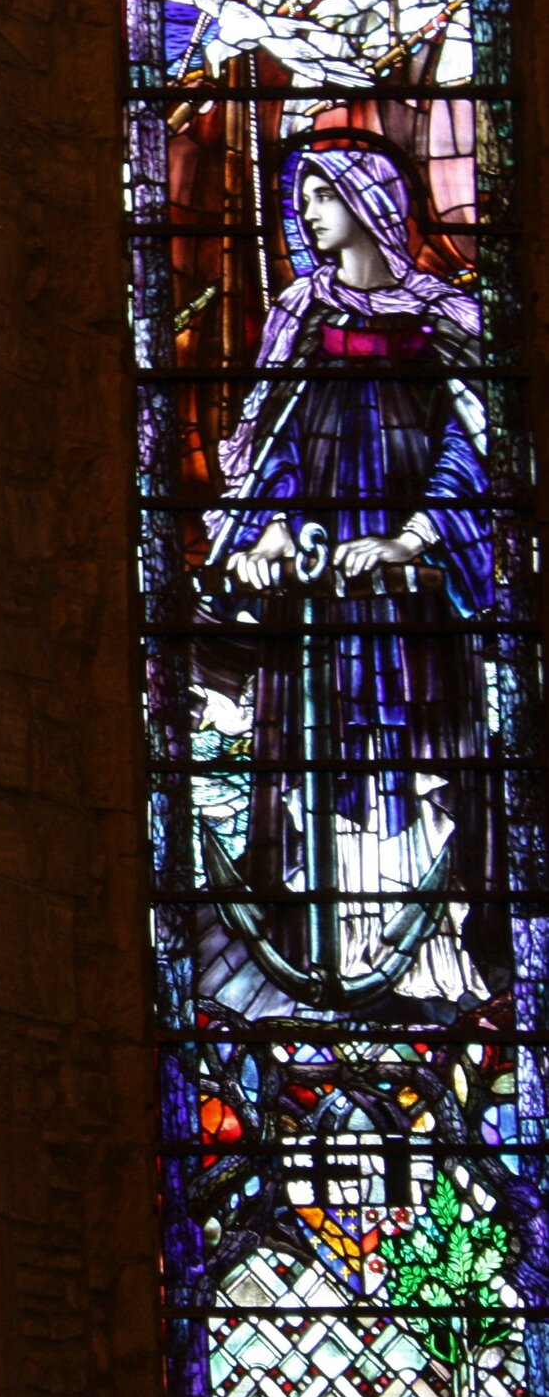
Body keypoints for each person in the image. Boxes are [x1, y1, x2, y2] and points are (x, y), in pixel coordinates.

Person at [210, 146, 494, 1008]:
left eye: (329, 193)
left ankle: (431, 950)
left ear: (373, 202)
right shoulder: (300, 311)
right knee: (320, 751)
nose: (312, 209)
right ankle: (321, 944)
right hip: (320, 590)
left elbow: (471, 439)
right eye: (304, 195)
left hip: (416, 593)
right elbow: (278, 441)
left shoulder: (445, 317)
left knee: (417, 749)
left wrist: (415, 537)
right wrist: (267, 529)